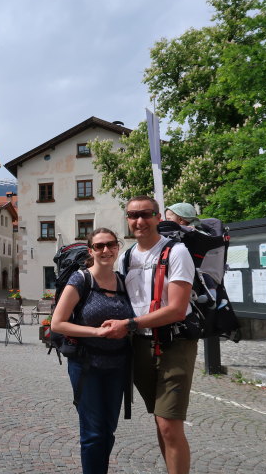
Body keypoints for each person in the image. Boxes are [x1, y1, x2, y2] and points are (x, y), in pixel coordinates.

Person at [102, 195, 195, 474]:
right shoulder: (127, 257)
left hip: (174, 342)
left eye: (145, 214)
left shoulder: (176, 252)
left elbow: (178, 309)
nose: (139, 221)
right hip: (140, 345)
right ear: (127, 220)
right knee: (160, 420)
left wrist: (128, 324)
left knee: (169, 424)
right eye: (133, 216)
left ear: (158, 217)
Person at [51, 228, 133, 474]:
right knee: (93, 433)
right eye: (99, 246)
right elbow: (58, 323)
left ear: (118, 247)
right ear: (91, 251)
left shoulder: (123, 281)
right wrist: (96, 332)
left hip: (118, 366)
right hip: (87, 366)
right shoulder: (81, 279)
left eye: (111, 244)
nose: (106, 250)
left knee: (108, 430)